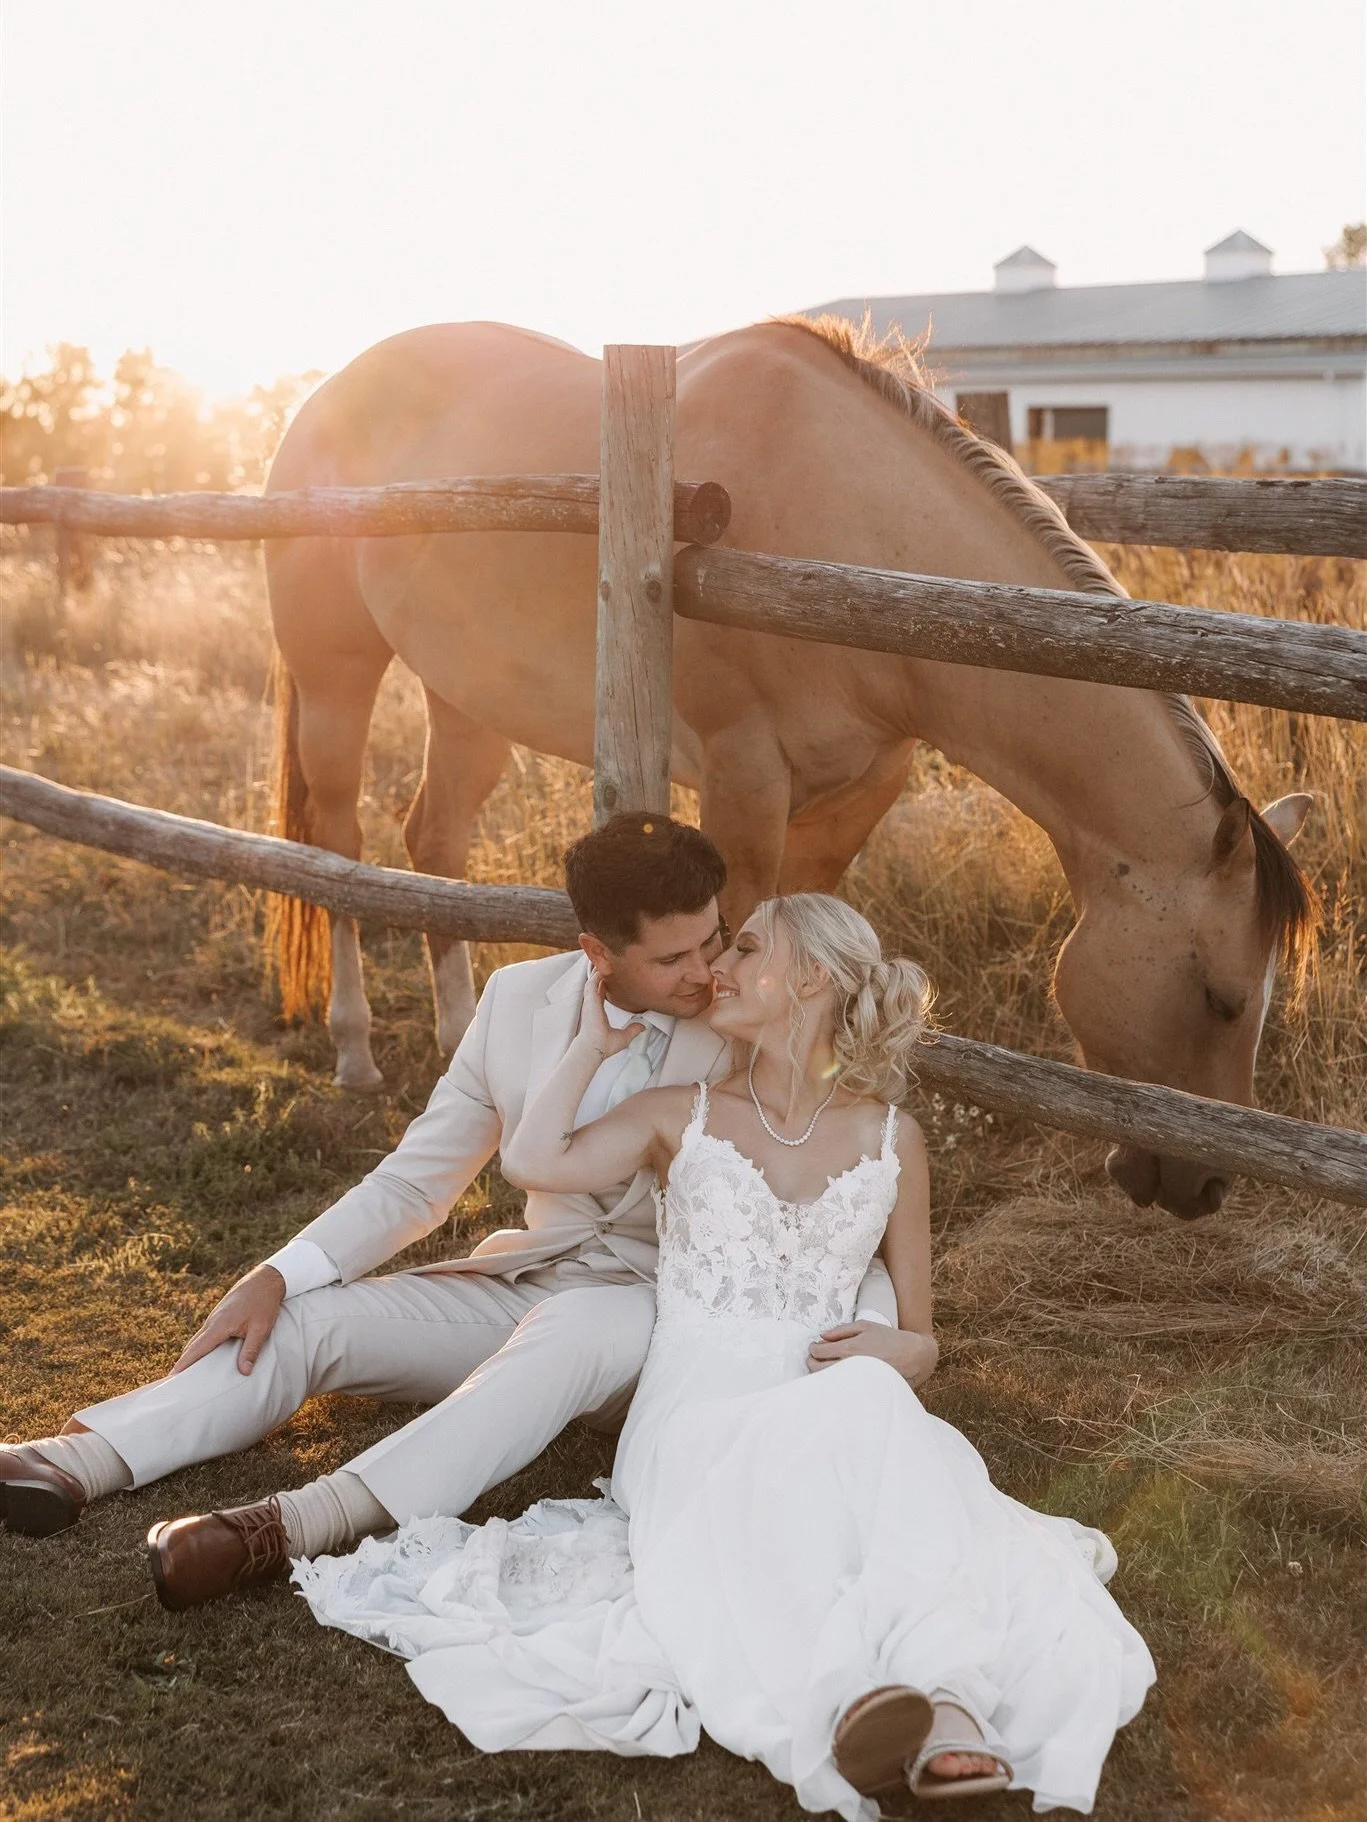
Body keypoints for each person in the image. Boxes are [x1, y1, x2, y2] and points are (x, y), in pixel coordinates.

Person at [295, 894, 1156, 1817]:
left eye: (745, 948)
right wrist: (592, 1045)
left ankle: (946, 1703)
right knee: (842, 1474)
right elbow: (533, 1163)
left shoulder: (893, 1138)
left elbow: (921, 1329)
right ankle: (854, 1696)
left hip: (832, 1400)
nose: (720, 968)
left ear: (811, 979)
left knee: (873, 1430)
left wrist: (904, 1352)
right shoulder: (678, 1114)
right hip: (697, 1415)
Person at [0, 819, 920, 1608]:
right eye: (673, 957)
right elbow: (418, 1180)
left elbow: (827, 1203)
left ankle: (292, 1524)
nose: (706, 970)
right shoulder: (519, 1001)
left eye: (716, 940)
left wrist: (881, 1335)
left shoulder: (742, 1031)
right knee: (310, 1320)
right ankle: (77, 1462)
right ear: (598, 951)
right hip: (526, 1277)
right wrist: (280, 1270)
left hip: (660, 1312)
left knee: (570, 1328)